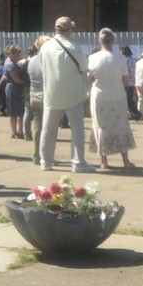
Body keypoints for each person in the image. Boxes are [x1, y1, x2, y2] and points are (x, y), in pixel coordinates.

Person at [39, 17, 94, 173]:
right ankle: (78, 163)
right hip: (72, 94)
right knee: (77, 129)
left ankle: (45, 161)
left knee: (48, 129)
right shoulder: (74, 47)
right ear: (69, 30)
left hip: (51, 93)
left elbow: (42, 66)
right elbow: (84, 67)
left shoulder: (45, 47)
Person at [88, 28, 137, 170]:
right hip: (118, 96)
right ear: (113, 41)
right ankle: (126, 160)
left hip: (99, 97)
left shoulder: (93, 58)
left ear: (100, 41)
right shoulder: (121, 58)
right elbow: (126, 80)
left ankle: (104, 162)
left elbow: (90, 79)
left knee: (101, 126)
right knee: (121, 125)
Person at [3, 45, 29, 140]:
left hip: (15, 88)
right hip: (13, 88)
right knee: (14, 112)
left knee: (19, 111)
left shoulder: (11, 62)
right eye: (17, 54)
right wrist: (27, 83)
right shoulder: (10, 64)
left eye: (19, 53)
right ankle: (15, 132)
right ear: (11, 54)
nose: (18, 55)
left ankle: (19, 131)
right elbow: (17, 79)